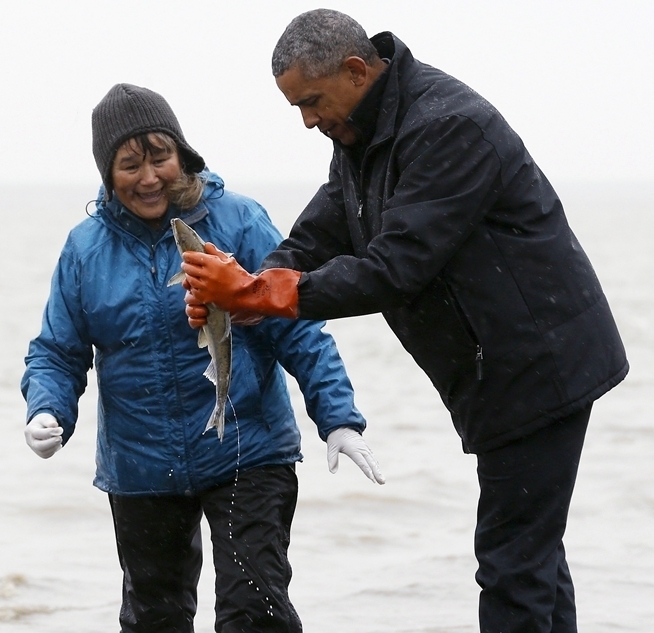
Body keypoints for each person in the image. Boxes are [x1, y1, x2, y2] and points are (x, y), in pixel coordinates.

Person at [180, 10, 629, 633]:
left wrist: (259, 291)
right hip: (492, 369)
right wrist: (241, 294)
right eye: (297, 109)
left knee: (511, 563)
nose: (308, 121)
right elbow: (318, 236)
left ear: (356, 71)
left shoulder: (449, 126)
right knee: (533, 557)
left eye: (311, 102)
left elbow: (396, 267)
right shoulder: (360, 137)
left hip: (538, 364)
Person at [21, 82, 383, 633]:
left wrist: (337, 416)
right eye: (129, 165)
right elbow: (58, 351)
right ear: (107, 173)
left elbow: (298, 326)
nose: (148, 178)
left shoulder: (238, 220)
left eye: (160, 157)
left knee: (254, 611)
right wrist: (47, 410)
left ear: (183, 155)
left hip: (248, 450)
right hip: (141, 467)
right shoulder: (85, 249)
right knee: (154, 618)